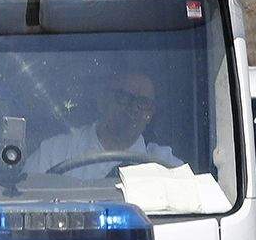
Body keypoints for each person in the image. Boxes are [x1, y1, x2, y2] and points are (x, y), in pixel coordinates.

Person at [33, 72, 181, 182]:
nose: (134, 108)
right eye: (124, 97)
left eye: (143, 104)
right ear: (102, 101)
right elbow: (24, 200)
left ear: (150, 114)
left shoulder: (166, 166)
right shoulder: (54, 152)